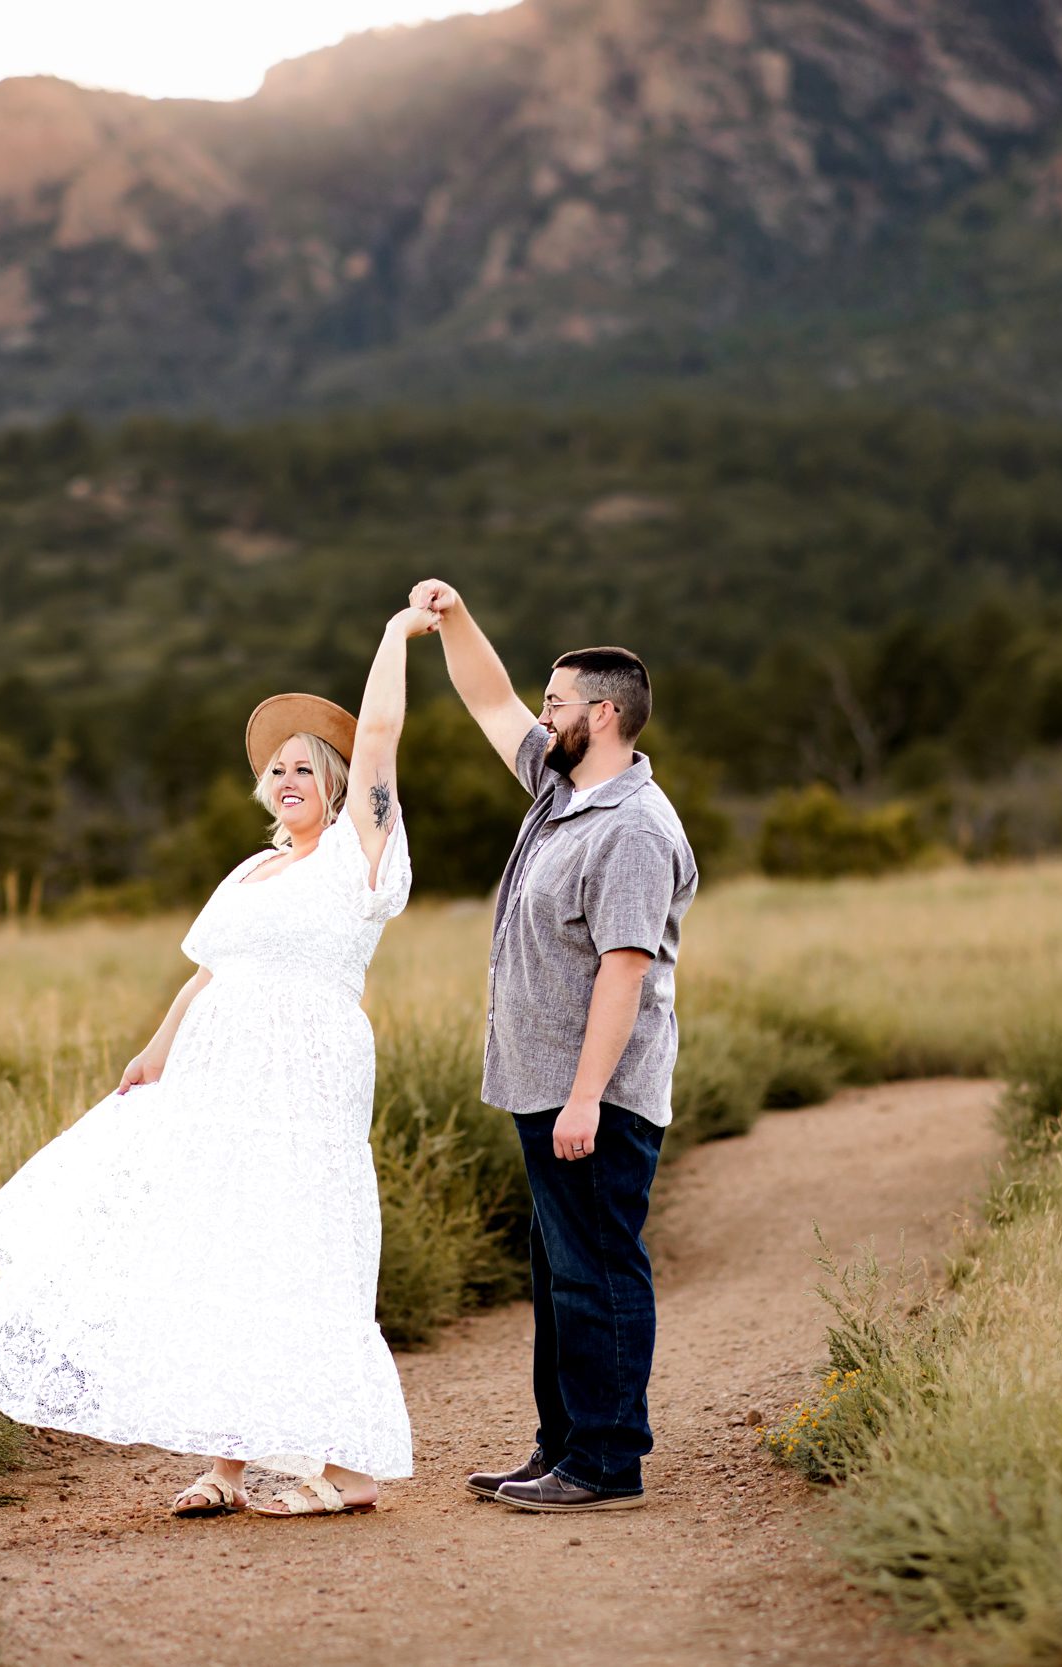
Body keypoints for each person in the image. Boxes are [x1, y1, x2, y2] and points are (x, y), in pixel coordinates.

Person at [0, 605, 442, 1519]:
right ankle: (226, 1465)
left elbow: (381, 735)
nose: (289, 778)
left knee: (303, 1248)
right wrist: (153, 1054)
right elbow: (209, 972)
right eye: (277, 769)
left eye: (308, 766)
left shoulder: (359, 854)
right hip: (220, 1081)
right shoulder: (247, 872)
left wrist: (391, 637)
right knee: (227, 1249)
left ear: (339, 784)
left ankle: (349, 1471)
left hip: (304, 1074)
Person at [410, 576, 698, 1513]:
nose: (542, 714)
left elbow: (624, 972)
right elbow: (487, 698)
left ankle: (609, 1461)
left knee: (598, 1268)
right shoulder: (562, 787)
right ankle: (562, 1447)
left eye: (558, 702)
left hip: (595, 1093)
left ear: (604, 714)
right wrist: (452, 617)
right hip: (544, 1083)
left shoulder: (634, 828)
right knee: (560, 1269)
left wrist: (584, 1097)